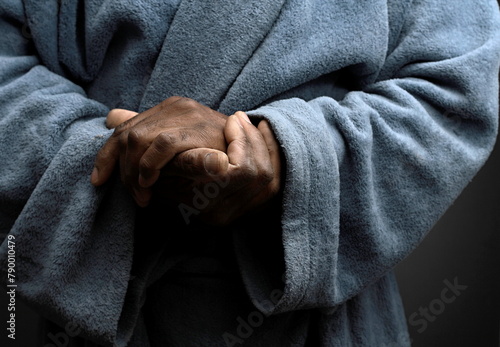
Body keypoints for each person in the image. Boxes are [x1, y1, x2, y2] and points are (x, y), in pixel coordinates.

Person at [1, 0, 499, 346]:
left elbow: (453, 91)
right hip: (101, 300)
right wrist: (124, 149)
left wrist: (284, 153)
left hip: (311, 321)